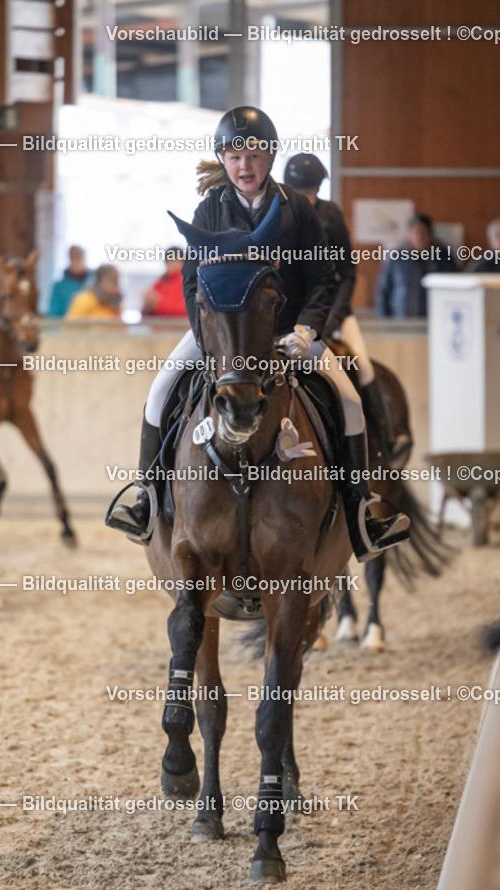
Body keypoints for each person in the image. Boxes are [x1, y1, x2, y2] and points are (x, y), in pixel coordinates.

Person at [109, 106, 409, 561]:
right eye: (233, 154)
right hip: (224, 338)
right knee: (159, 392)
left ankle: (360, 512)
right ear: (222, 159)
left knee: (348, 400)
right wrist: (209, 339)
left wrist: (308, 329)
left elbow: (324, 277)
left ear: (269, 156)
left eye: (253, 153)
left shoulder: (298, 210)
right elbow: (193, 283)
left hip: (288, 336)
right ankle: (146, 500)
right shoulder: (209, 209)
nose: (243, 165)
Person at [283, 153, 410, 464]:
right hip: (292, 317)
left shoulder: (331, 215)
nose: (307, 198)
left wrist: (331, 318)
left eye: (311, 191)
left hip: (334, 312)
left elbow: (347, 273)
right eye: (301, 192)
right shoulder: (280, 214)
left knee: (363, 366)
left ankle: (386, 435)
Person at [375, 213, 457, 317]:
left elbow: (454, 289)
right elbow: (383, 291)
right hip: (401, 321)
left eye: (423, 232)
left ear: (430, 234)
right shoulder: (396, 258)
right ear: (409, 234)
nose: (419, 236)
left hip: (435, 319)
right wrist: (384, 321)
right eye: (415, 232)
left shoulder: (444, 258)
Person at [142, 248, 187, 316]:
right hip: (158, 325)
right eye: (168, 260)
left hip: (179, 325)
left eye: (173, 260)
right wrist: (147, 305)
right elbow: (145, 314)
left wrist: (158, 304)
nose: (170, 264)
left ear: (182, 262)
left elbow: (187, 310)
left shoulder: (187, 282)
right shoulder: (160, 282)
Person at [49, 245, 92, 316]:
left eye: (79, 257)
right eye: (74, 257)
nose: (77, 261)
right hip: (68, 325)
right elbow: (53, 314)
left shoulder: (95, 283)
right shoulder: (59, 287)